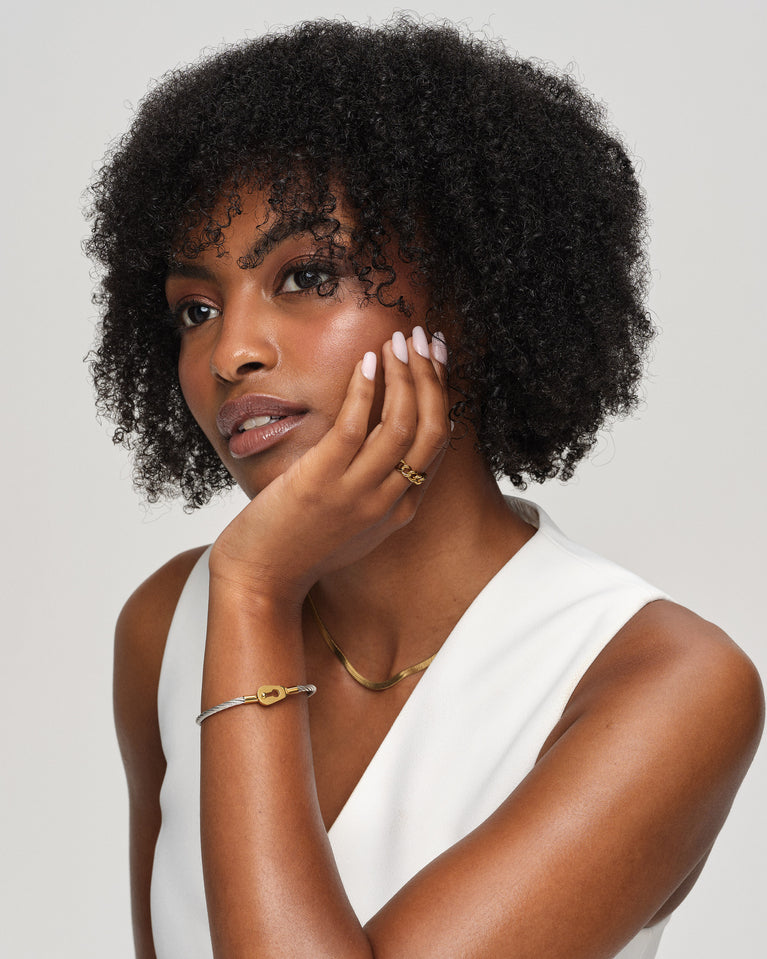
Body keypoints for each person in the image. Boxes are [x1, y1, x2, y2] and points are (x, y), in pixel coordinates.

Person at [86, 17, 763, 959]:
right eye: (195, 309)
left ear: (474, 304)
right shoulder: (167, 625)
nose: (229, 351)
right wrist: (243, 595)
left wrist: (252, 590)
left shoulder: (664, 682)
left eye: (308, 275)